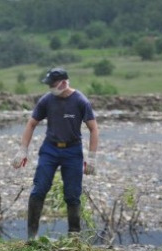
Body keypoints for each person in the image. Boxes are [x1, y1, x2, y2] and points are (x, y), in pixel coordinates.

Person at [11, 68, 99, 240]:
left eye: (53, 84)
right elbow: (31, 124)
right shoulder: (47, 100)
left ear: (64, 83)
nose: (50, 87)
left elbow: (93, 129)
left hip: (73, 151)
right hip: (50, 150)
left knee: (72, 194)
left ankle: (74, 238)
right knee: (39, 189)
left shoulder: (81, 101)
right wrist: (23, 150)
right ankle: (31, 236)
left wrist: (92, 157)